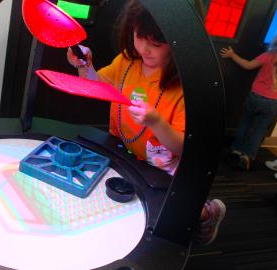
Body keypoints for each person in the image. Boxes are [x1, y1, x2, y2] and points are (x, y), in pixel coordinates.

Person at [67, 0, 225, 245]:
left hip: (163, 166)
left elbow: (183, 147)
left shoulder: (186, 87)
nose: (145, 49)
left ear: (179, 43)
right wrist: (84, 66)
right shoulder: (127, 62)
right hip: (126, 150)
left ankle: (208, 212)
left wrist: (156, 121)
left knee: (172, 214)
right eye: (140, 37)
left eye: (156, 44)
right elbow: (96, 87)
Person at [220, 26, 277, 171]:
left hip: (255, 97)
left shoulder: (267, 56)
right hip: (272, 103)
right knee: (259, 130)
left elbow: (247, 65)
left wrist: (232, 55)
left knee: (245, 123)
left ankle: (236, 150)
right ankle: (247, 156)